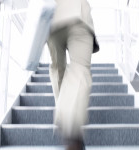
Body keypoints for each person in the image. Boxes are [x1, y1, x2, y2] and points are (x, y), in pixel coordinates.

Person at [47, 0, 99, 149]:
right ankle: (71, 126)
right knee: (80, 68)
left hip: (53, 18)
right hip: (79, 16)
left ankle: (64, 115)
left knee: (58, 69)